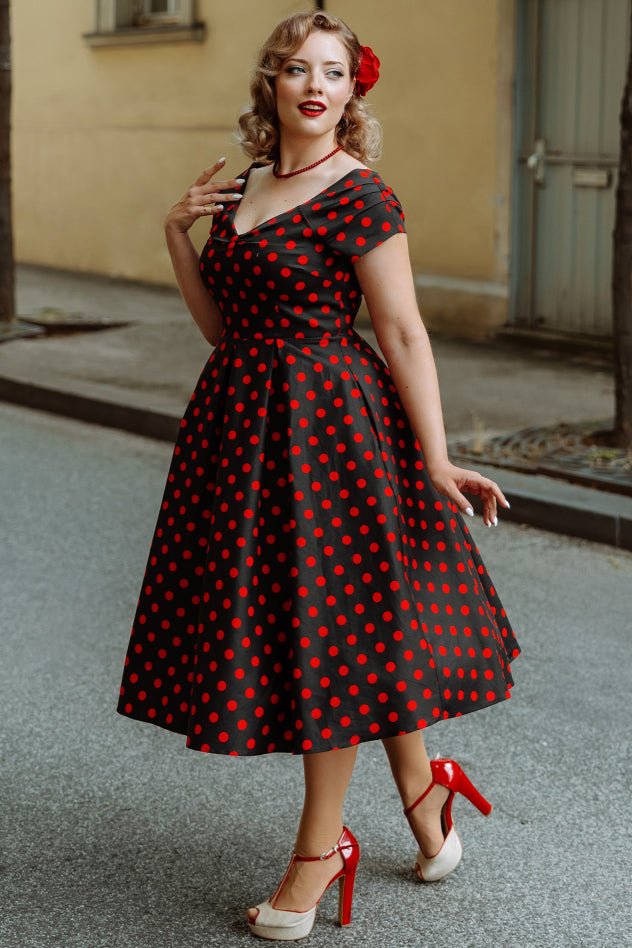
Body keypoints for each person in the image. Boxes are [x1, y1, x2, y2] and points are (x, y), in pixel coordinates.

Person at [116, 10, 521, 942]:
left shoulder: (362, 195)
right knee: (348, 619)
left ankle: (318, 851)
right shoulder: (251, 182)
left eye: (332, 73)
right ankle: (425, 795)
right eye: (297, 68)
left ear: (352, 92)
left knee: (326, 631)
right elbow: (223, 329)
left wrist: (436, 454)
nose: (313, 85)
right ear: (272, 83)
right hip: (242, 423)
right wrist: (177, 236)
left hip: (332, 428)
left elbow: (404, 331)